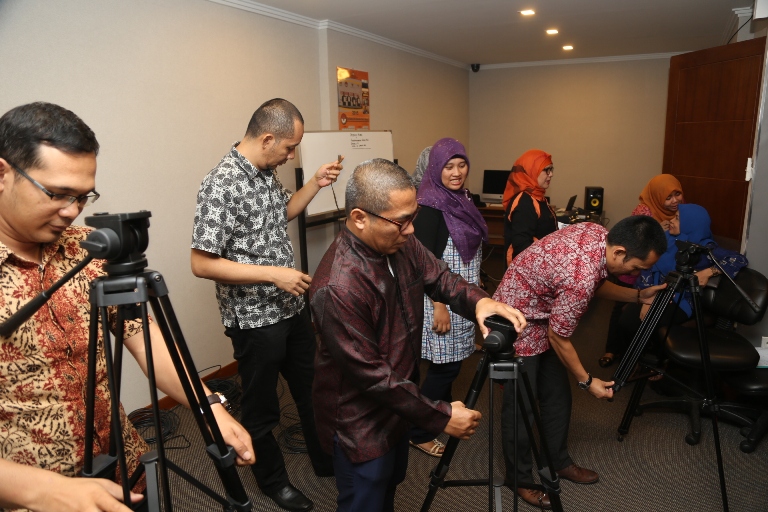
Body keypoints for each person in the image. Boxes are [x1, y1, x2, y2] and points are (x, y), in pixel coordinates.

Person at [0, 102, 254, 512]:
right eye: (58, 194)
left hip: (122, 467)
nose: (72, 211)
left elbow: (145, 338)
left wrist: (206, 405)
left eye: (82, 197)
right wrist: (43, 491)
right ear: (3, 174)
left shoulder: (86, 249)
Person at [309, 159, 526, 512]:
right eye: (402, 221)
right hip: (360, 424)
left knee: (388, 492)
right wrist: (441, 415)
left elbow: (440, 277)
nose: (411, 229)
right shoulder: (339, 287)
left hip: (399, 404)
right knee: (365, 503)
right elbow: (372, 375)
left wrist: (480, 302)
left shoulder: (399, 242)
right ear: (360, 218)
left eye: (413, 216)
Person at [190, 98, 338, 512]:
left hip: (290, 309)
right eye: (289, 148)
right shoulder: (220, 184)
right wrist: (274, 274)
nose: (290, 156)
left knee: (312, 388)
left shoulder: (266, 173)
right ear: (268, 138)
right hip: (255, 320)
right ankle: (274, 483)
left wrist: (315, 183)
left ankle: (327, 461)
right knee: (262, 408)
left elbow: (280, 214)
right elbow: (201, 263)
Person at [493, 216, 667, 509]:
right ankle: (519, 479)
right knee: (522, 407)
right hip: (516, 320)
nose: (636, 274)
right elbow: (560, 335)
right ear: (619, 252)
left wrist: (638, 296)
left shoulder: (598, 234)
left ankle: (557, 461)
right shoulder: (580, 276)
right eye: (636, 268)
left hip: (546, 314)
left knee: (557, 397)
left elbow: (596, 286)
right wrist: (587, 381)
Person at [408, 138, 487, 457]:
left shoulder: (462, 199)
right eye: (448, 166)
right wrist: (439, 305)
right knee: (445, 368)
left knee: (451, 362)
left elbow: (468, 252)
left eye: (461, 165)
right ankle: (418, 432)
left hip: (460, 295)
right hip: (439, 300)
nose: (456, 172)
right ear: (435, 168)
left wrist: (476, 282)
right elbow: (424, 263)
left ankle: (445, 414)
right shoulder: (430, 207)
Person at [616, 203, 748, 360]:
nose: (671, 220)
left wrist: (708, 272)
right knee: (627, 320)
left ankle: (654, 360)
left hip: (680, 299)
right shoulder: (665, 238)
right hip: (653, 291)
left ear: (690, 224)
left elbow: (738, 259)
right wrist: (647, 299)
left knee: (649, 324)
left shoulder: (702, 247)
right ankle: (636, 359)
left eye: (677, 218)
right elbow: (647, 267)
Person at [600, 173, 684, 367]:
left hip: (655, 273)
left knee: (634, 316)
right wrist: (657, 231)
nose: (674, 201)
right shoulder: (644, 211)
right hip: (632, 272)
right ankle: (611, 349)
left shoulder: (683, 213)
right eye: (668, 197)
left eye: (677, 194)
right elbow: (635, 243)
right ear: (657, 196)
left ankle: (633, 357)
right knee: (619, 308)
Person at [502, 149, 558, 266]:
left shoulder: (538, 196)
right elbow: (522, 246)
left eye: (551, 169)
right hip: (527, 270)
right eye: (546, 170)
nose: (551, 174)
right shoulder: (524, 202)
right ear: (532, 170)